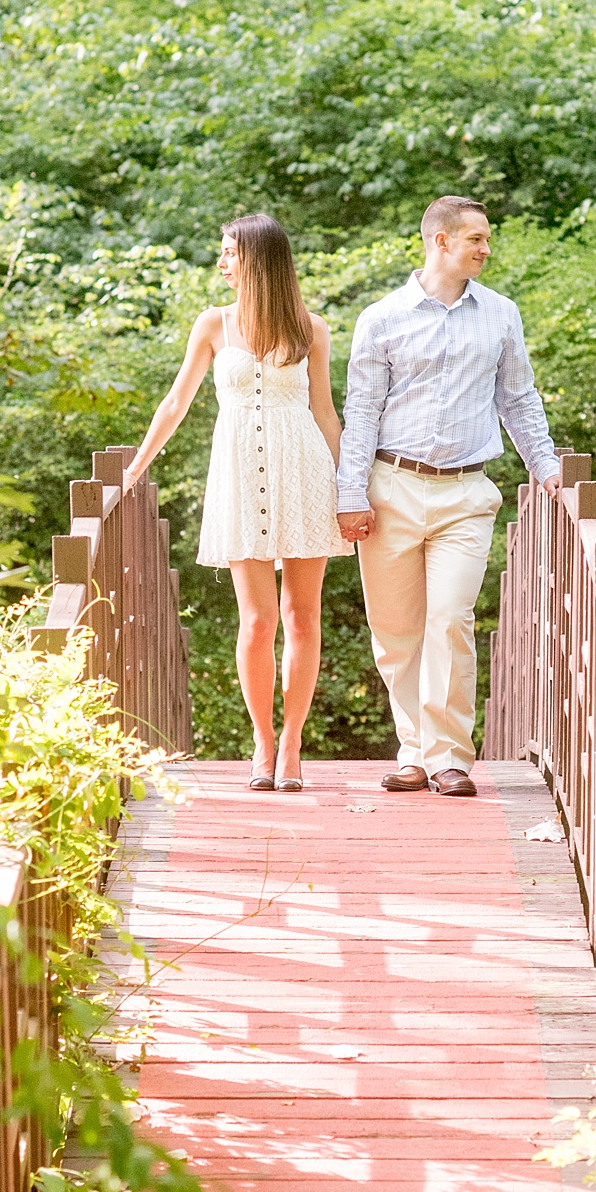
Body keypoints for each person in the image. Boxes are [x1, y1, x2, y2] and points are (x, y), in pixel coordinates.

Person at [336, 196, 562, 796]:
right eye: (476, 240)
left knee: (450, 619)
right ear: (440, 241)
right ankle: (413, 749)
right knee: (395, 631)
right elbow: (360, 412)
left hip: (465, 491)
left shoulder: (501, 315)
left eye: (486, 240)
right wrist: (349, 493)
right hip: (391, 489)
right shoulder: (380, 318)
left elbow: (518, 397)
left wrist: (548, 468)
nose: (486, 249)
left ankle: (449, 757)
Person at [122, 214, 345, 792]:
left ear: (259, 260)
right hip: (240, 477)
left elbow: (325, 413)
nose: (222, 262)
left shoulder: (311, 329)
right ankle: (263, 742)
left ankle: (293, 742)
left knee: (302, 618)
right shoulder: (213, 325)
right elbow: (175, 402)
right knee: (257, 620)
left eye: (230, 252)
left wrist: (351, 490)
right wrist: (133, 471)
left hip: (304, 476)